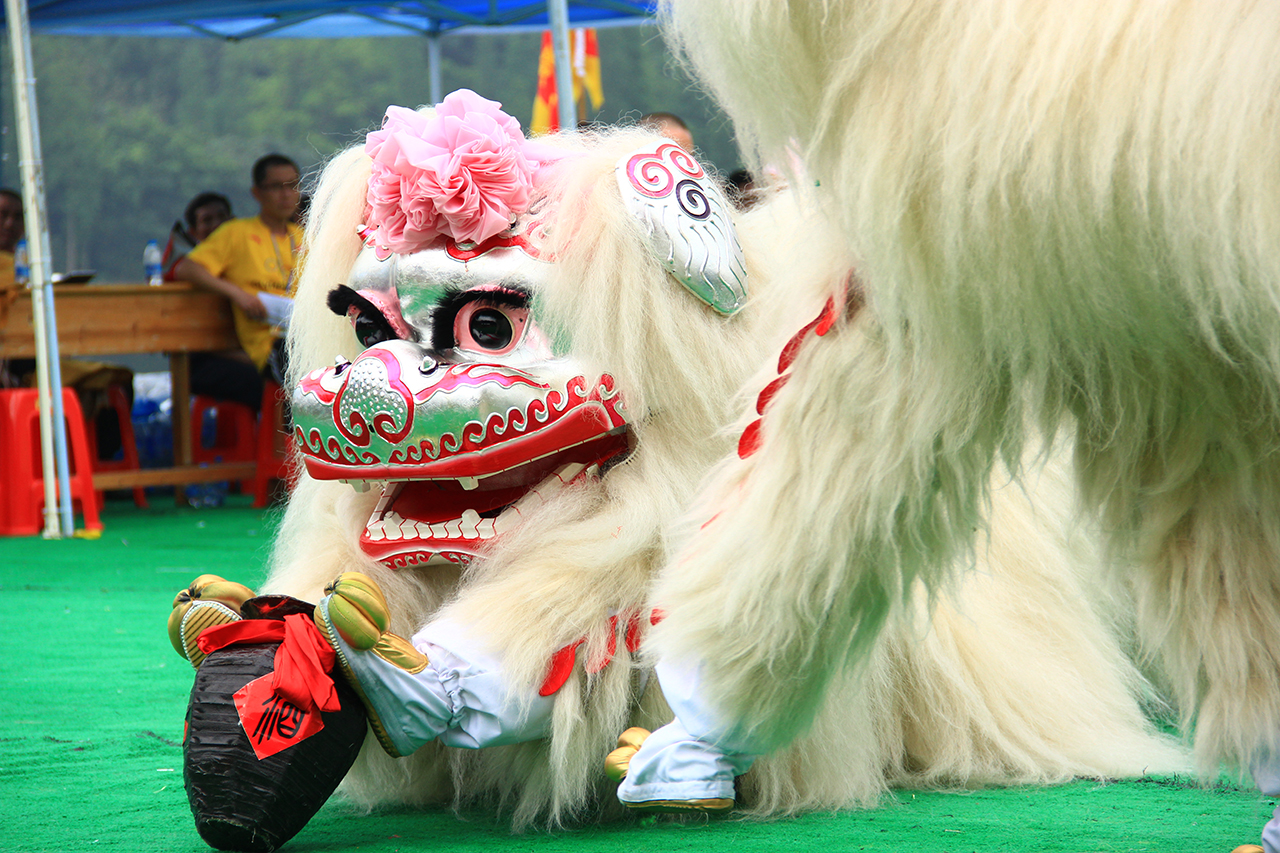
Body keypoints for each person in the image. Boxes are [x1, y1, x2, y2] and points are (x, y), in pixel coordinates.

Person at [173, 154, 302, 408]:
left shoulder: (303, 237)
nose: (286, 194)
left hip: (302, 334)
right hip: (270, 346)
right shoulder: (236, 233)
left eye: (293, 185)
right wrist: (237, 294)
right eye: (276, 187)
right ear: (257, 193)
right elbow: (186, 268)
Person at [162, 192, 233, 282]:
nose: (217, 224)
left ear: (232, 220)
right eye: (207, 220)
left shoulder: (249, 248)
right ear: (193, 232)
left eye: (222, 216)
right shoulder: (182, 262)